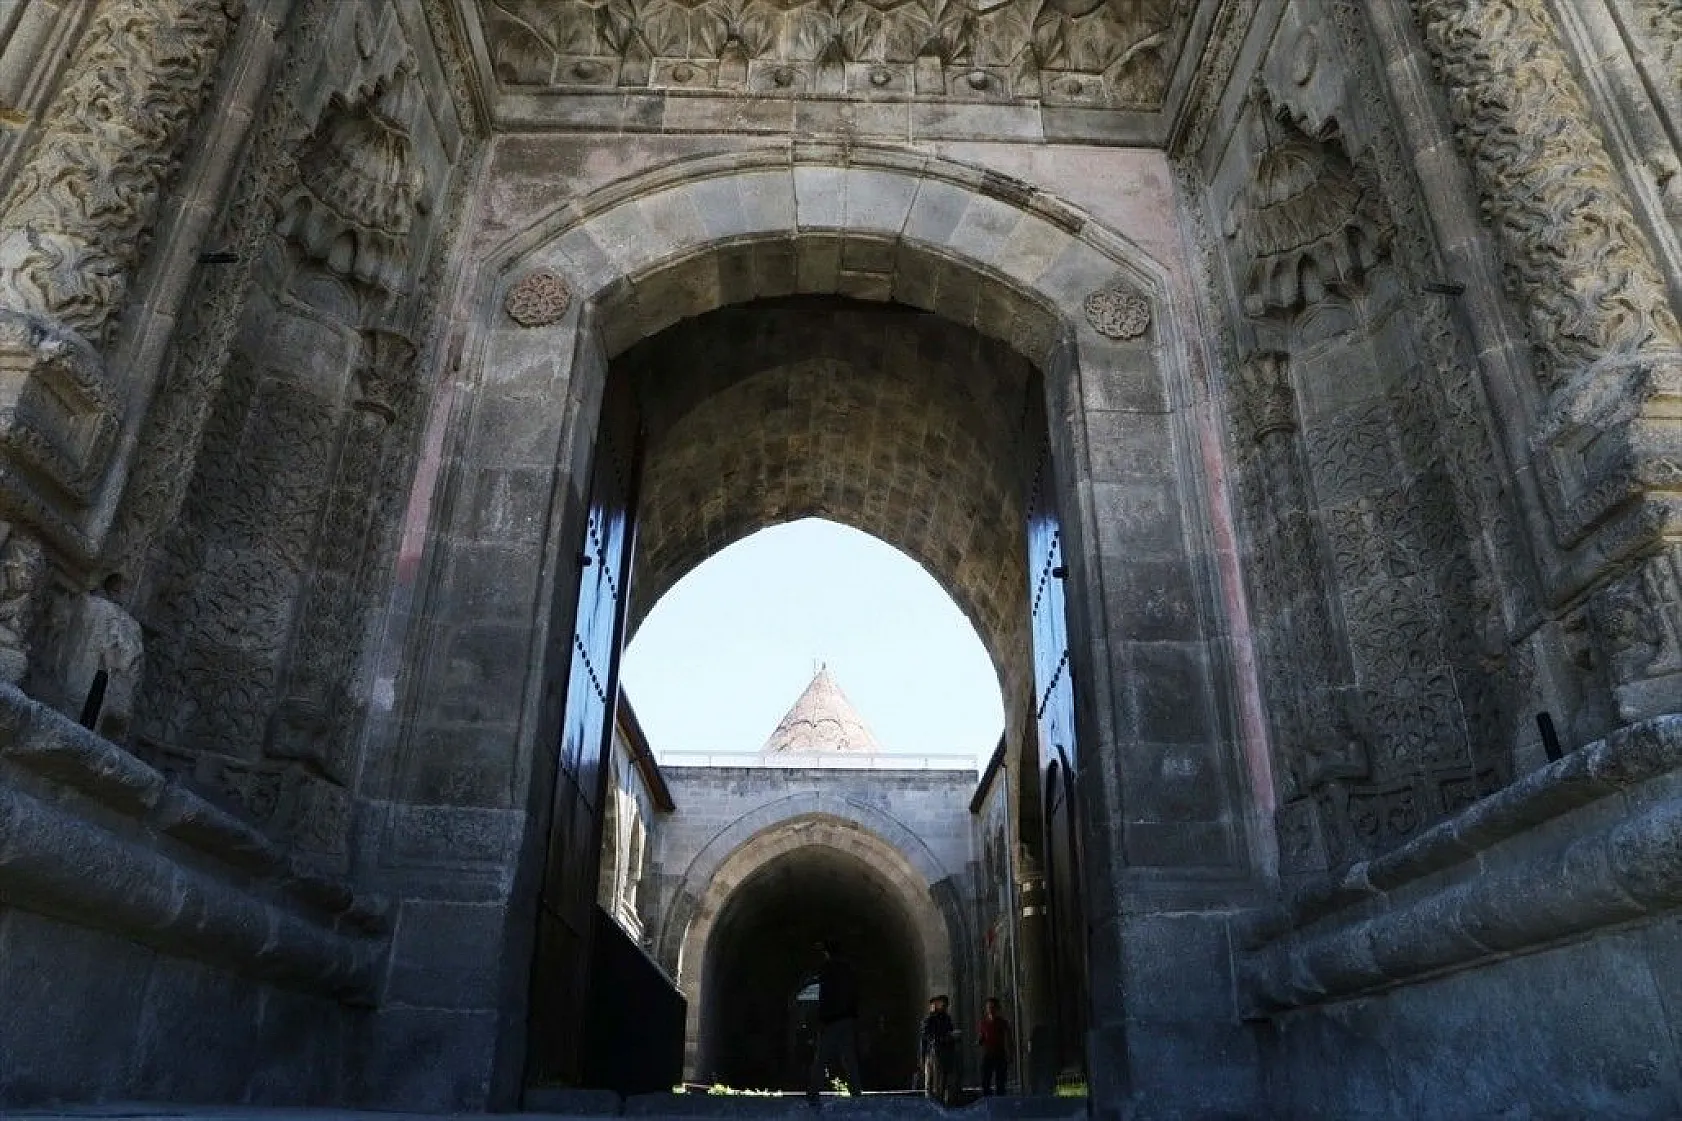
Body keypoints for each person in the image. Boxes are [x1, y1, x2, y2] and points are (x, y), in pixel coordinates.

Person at [807, 940, 862, 1103]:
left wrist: (821, 1019)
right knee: (849, 1058)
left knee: (821, 1057)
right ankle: (856, 1091)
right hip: (847, 1019)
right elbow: (854, 995)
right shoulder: (848, 969)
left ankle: (813, 1092)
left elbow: (826, 996)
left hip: (831, 1020)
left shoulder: (827, 969)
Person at [921, 994, 957, 1105]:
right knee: (933, 1082)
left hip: (943, 1053)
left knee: (941, 1081)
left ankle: (940, 1102)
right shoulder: (930, 1019)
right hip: (934, 1052)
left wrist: (950, 1039)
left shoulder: (946, 1019)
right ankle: (933, 1103)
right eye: (942, 1004)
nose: (944, 1006)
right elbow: (926, 1036)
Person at [977, 996, 1013, 1096]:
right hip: (988, 1053)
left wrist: (1010, 1053)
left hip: (1000, 1053)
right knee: (985, 1080)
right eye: (988, 1007)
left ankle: (1000, 1100)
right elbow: (982, 1036)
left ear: (997, 1009)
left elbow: (1008, 1038)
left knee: (1000, 1081)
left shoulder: (1002, 1023)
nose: (990, 1009)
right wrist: (980, 1041)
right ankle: (987, 1099)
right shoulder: (983, 1023)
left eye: (992, 1007)